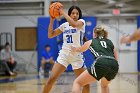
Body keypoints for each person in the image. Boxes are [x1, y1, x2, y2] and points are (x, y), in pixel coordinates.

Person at [43, 6, 89, 93]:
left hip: (77, 56)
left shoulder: (81, 22)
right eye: (73, 13)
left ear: (79, 15)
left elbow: (74, 24)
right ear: (70, 14)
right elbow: (50, 35)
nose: (75, 15)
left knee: (85, 83)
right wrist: (52, 20)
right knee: (51, 79)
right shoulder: (64, 26)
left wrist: (62, 12)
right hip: (64, 55)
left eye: (77, 13)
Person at [71, 25, 119, 93]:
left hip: (101, 61)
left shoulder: (91, 41)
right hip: (114, 65)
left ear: (95, 33)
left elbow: (80, 50)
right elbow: (116, 57)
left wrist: (73, 48)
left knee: (77, 83)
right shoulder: (110, 42)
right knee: (104, 86)